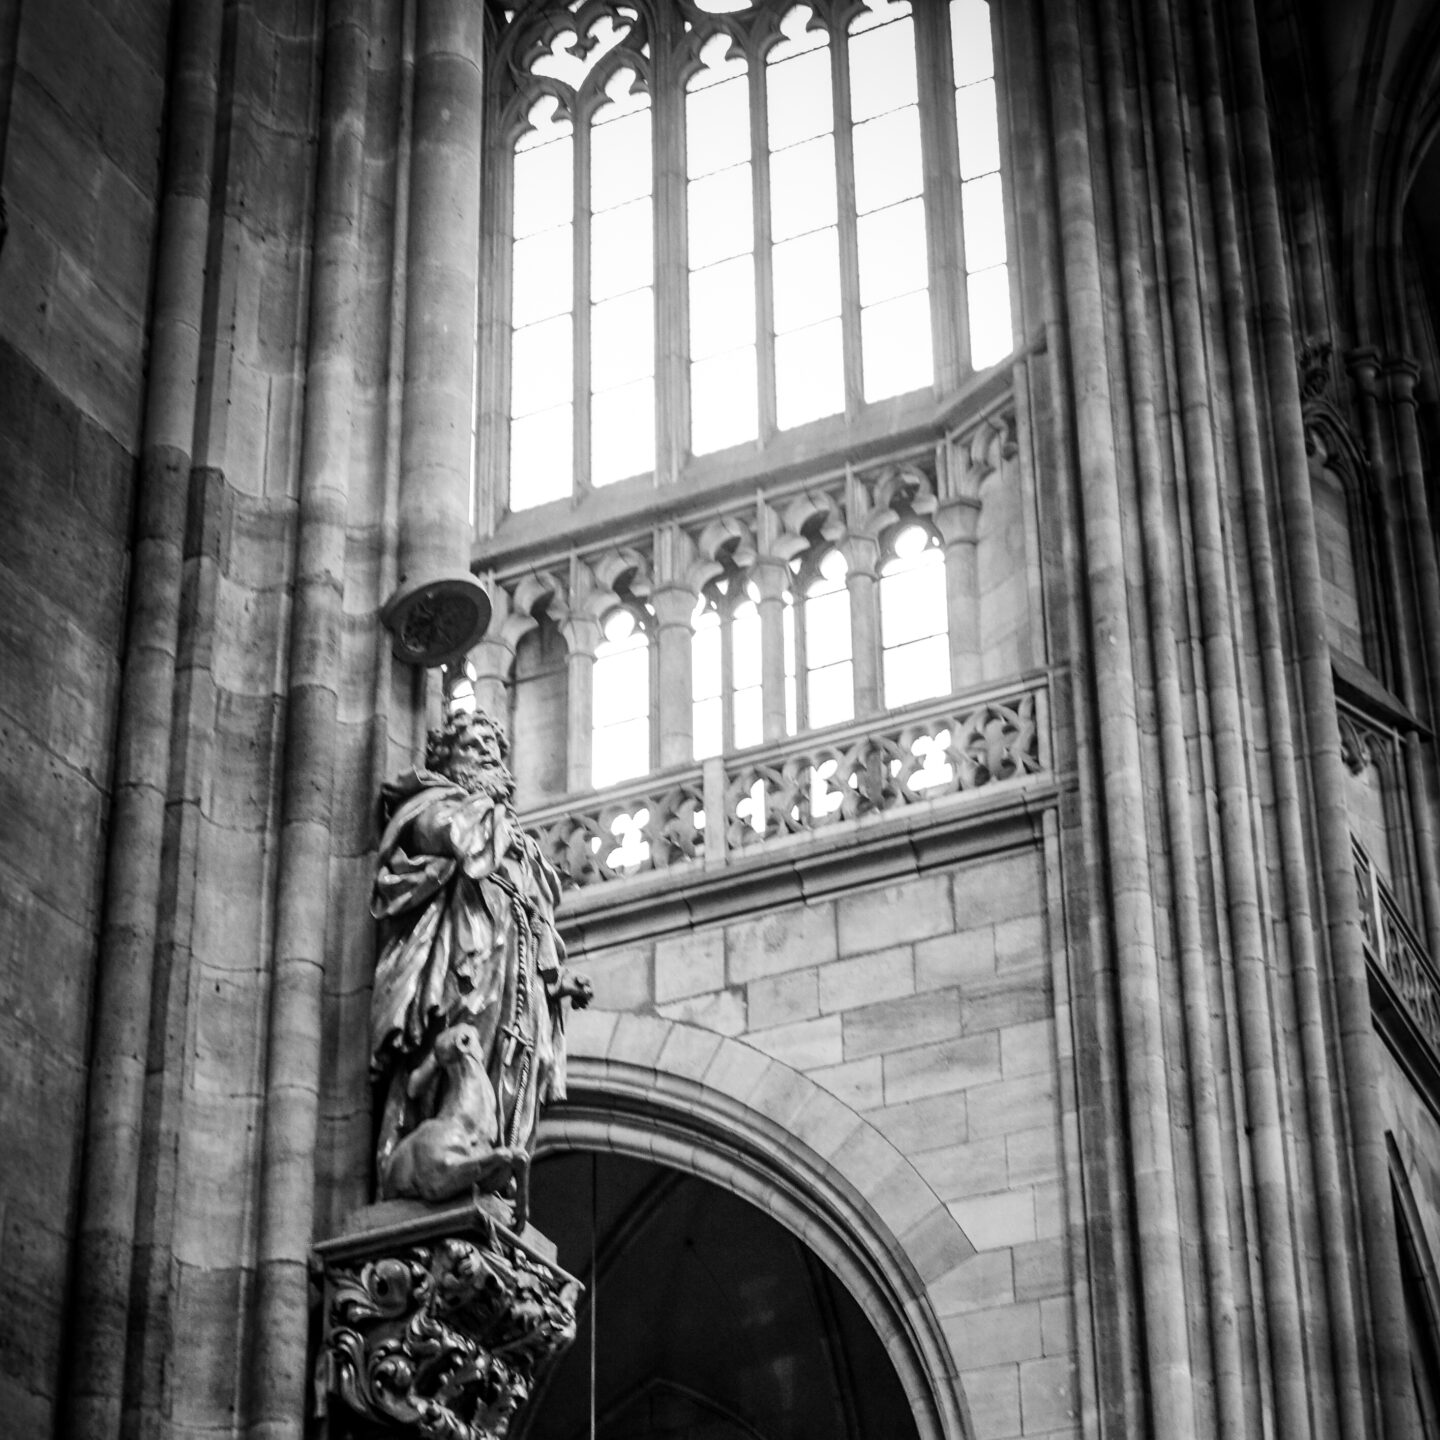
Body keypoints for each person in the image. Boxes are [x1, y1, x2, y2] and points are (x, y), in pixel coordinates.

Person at [369, 705, 591, 1207]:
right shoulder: (436, 803)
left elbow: (537, 918)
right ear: (446, 758)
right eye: (474, 746)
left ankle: (490, 1158)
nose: (488, 755)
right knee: (457, 1050)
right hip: (467, 956)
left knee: (512, 1068)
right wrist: (487, 821)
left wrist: (555, 978)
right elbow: (443, 835)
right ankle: (435, 1155)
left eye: (493, 748)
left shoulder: (516, 840)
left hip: (515, 967)